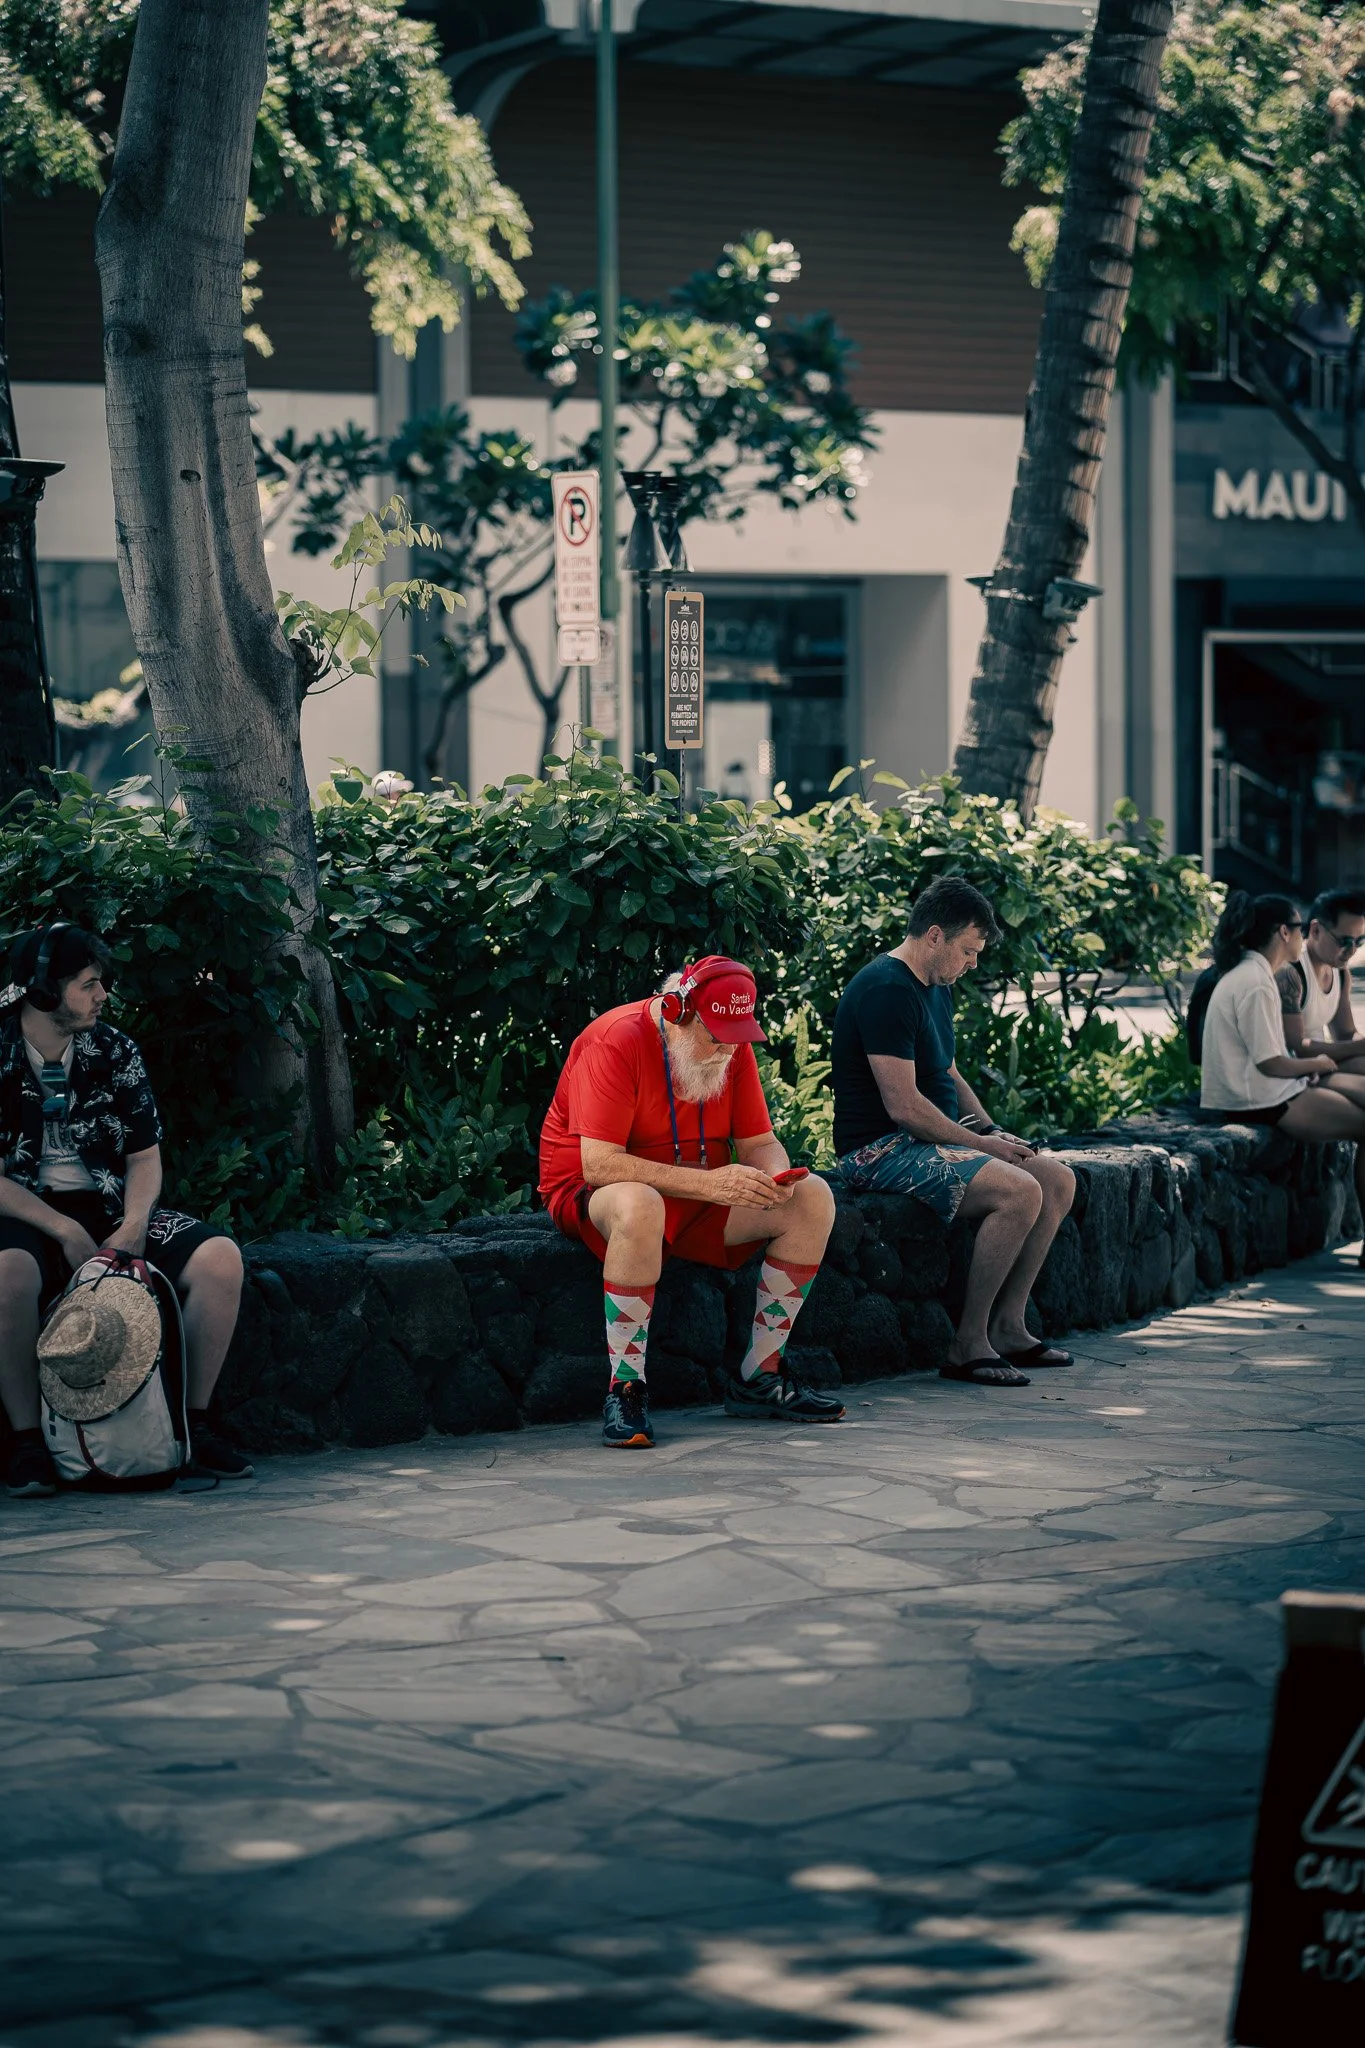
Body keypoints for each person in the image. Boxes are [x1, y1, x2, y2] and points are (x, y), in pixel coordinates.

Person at [539, 955, 840, 1448]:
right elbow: (599, 1165)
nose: (726, 1049)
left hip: (695, 1188)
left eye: (735, 1036)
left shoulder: (731, 1046)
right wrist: (710, 1186)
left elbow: (759, 1142)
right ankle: (626, 1389)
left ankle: (759, 1376)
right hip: (598, 1194)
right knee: (641, 1204)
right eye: (715, 1035)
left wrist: (774, 1177)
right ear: (677, 1011)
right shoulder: (614, 1039)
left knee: (812, 1198)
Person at [0, 924, 250, 1496]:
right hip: (21, 1212)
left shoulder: (114, 1049)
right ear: (43, 989)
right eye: (89, 984)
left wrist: (133, 1225)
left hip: (110, 1205)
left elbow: (144, 1157)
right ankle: (25, 1444)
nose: (102, 995)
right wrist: (61, 1228)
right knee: (8, 1273)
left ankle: (191, 1427)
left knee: (218, 1259)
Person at [831, 876, 1077, 1389]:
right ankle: (967, 1342)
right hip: (878, 1150)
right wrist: (985, 1147)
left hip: (927, 1141)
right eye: (968, 950)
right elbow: (903, 1106)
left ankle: (1009, 1327)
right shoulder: (886, 989)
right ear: (936, 935)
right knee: (1019, 1192)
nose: (973, 963)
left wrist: (992, 1129)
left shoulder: (934, 985)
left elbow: (948, 1073)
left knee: (1056, 1180)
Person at [1200, 890, 1365, 1246]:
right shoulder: (1257, 982)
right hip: (1260, 1100)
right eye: (1298, 927)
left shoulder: (1254, 974)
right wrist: (1317, 1063)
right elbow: (1272, 1063)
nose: (1303, 934)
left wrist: (1312, 1067)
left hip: (1268, 1091)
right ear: (1282, 933)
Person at [1278, 888, 1365, 1075]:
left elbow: (1345, 1034)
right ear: (1316, 930)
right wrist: (1359, 1048)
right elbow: (1295, 1048)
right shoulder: (1292, 973)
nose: (1352, 951)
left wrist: (1360, 1044)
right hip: (1294, 1072)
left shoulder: (1341, 975)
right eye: (1345, 941)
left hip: (1322, 1065)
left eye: (1359, 941)